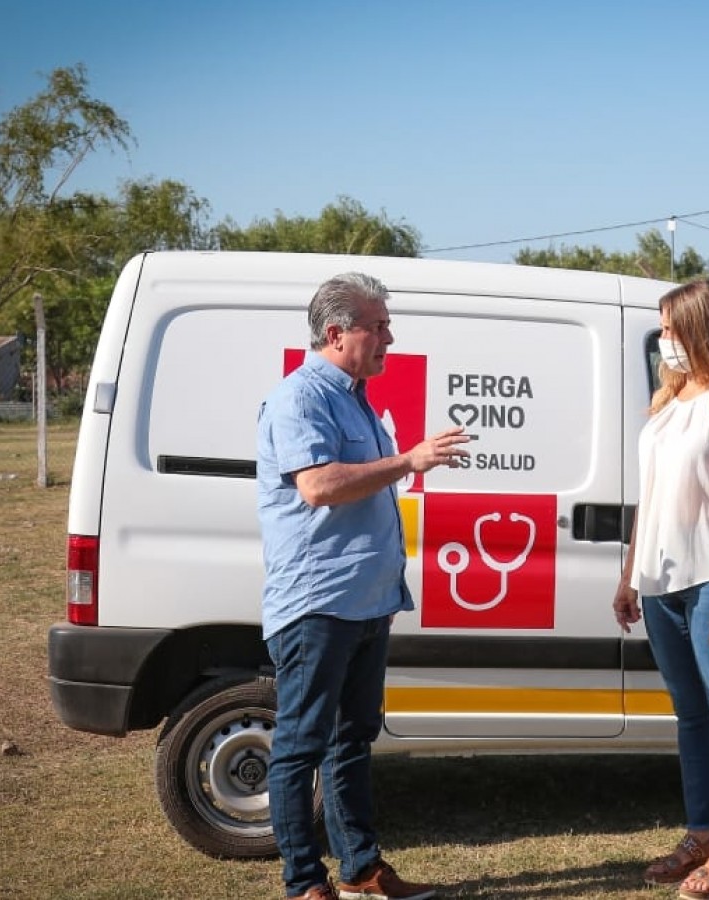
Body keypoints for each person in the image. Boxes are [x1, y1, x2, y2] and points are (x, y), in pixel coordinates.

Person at [257, 272, 471, 900]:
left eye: (385, 326)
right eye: (377, 327)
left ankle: (360, 870)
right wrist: (408, 459)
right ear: (336, 333)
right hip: (317, 603)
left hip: (365, 602)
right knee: (299, 745)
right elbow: (319, 487)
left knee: (352, 740)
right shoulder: (300, 398)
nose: (388, 337)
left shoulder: (354, 397)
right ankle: (303, 883)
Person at [613, 278, 709, 900]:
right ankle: (702, 833)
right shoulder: (667, 401)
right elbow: (649, 500)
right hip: (658, 581)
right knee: (691, 717)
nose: (664, 341)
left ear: (702, 329)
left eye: (672, 329)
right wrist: (629, 575)